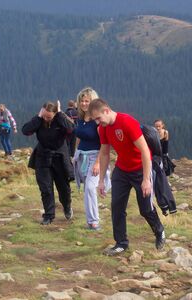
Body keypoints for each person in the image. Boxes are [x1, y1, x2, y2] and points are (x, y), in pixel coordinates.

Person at [89, 98, 166, 255]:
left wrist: (146, 180)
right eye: (95, 119)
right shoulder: (103, 128)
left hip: (140, 169)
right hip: (122, 170)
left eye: (98, 118)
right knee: (117, 206)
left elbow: (145, 150)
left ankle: (159, 231)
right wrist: (102, 180)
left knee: (145, 209)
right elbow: (104, 153)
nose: (98, 122)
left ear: (106, 111)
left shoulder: (127, 122)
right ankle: (121, 243)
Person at [22, 101, 75, 225]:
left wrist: (61, 114)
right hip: (42, 157)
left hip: (59, 158)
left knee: (63, 188)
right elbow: (25, 131)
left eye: (49, 117)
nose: (46, 118)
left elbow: (71, 129)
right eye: (44, 116)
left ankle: (67, 207)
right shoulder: (39, 121)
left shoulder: (60, 120)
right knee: (45, 188)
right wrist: (38, 117)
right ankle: (49, 215)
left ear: (55, 114)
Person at [73, 87, 110, 231]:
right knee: (87, 189)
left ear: (93, 101)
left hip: (95, 156)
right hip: (82, 156)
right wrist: (75, 154)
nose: (83, 103)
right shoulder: (81, 119)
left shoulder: (97, 121)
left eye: (87, 101)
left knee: (89, 187)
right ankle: (90, 221)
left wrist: (97, 164)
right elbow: (78, 136)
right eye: (81, 101)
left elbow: (104, 143)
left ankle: (94, 221)